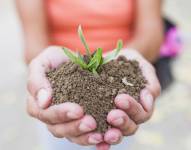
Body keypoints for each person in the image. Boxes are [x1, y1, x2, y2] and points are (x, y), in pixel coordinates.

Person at [16, 0, 162, 150]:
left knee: (117, 133)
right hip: (63, 94)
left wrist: (125, 61)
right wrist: (44, 66)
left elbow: (151, 36)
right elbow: (33, 46)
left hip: (120, 87)